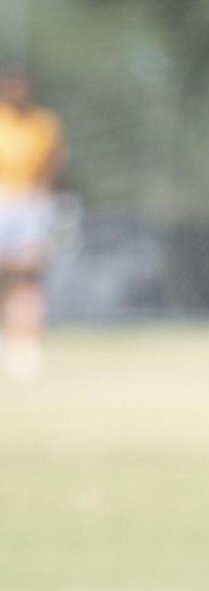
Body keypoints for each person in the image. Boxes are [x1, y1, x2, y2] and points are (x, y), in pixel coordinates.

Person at [0, 63, 64, 381]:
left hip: (32, 204)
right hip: (2, 201)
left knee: (28, 275)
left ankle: (27, 342)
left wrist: (46, 204)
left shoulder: (44, 123)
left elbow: (53, 164)